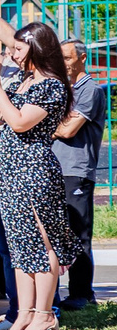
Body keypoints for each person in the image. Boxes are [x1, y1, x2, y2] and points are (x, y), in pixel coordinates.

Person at [0, 9, 76, 330]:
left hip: (34, 170)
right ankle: (24, 314)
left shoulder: (52, 86)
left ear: (37, 48)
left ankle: (44, 315)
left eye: (19, 49)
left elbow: (21, 122)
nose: (13, 53)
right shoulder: (23, 81)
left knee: (43, 244)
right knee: (21, 247)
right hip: (10, 171)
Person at [54, 38, 103, 310]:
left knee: (78, 233)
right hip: (55, 168)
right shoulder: (63, 89)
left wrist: (43, 123)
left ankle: (82, 293)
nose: (63, 64)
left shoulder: (90, 90)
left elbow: (67, 130)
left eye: (68, 58)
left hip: (76, 170)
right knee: (57, 232)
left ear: (82, 58)